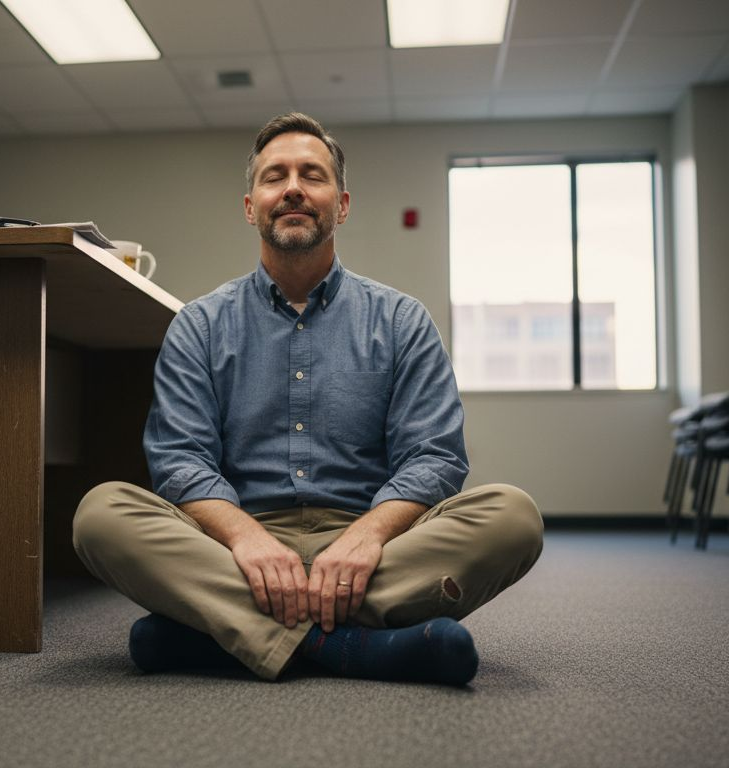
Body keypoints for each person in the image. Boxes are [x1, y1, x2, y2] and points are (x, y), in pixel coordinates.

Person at [73, 113, 542, 686]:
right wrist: (247, 540)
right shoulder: (200, 324)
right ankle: (355, 647)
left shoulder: (401, 321)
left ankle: (226, 634)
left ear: (340, 204)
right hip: (235, 548)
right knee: (100, 514)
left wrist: (364, 538)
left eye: (311, 175)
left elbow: (436, 459)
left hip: (372, 548)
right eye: (276, 176)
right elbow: (179, 460)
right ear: (252, 206)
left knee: (513, 516)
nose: (293, 187)